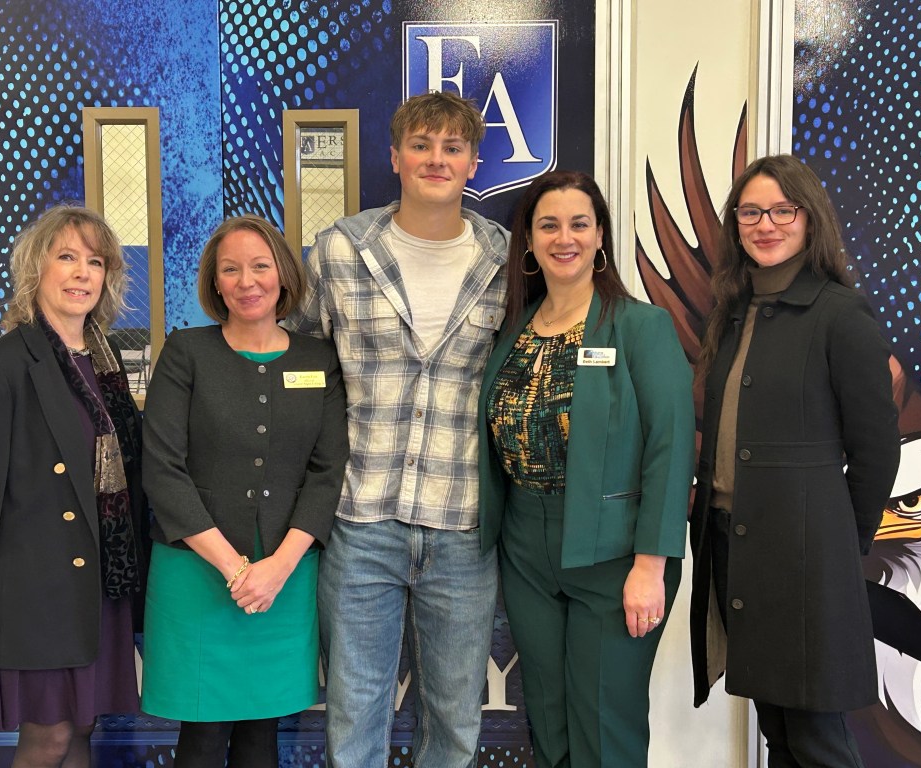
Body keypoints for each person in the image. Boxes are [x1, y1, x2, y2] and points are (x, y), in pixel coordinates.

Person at [283, 90, 509, 767]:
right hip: (361, 521)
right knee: (355, 719)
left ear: (472, 164)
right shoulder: (340, 249)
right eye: (421, 145)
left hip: (463, 525)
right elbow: (300, 359)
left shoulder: (506, 257)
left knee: (455, 720)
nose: (436, 159)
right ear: (394, 157)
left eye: (452, 148)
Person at [689, 154, 901, 767]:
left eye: (784, 210)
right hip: (732, 543)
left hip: (806, 556)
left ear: (810, 219)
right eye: (751, 212)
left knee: (815, 738)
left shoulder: (840, 313)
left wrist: (838, 542)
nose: (766, 225)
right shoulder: (732, 311)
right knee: (777, 734)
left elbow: (876, 448)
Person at [478, 170, 695, 767]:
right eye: (548, 225)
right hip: (526, 547)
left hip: (617, 553)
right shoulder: (513, 330)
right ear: (528, 240)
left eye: (579, 224)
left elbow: (670, 448)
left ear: (600, 236)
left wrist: (651, 564)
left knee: (605, 724)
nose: (564, 238)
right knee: (548, 720)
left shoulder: (640, 326)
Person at [0, 205, 146, 768]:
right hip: (37, 593)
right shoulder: (0, 368)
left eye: (95, 262)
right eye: (67, 257)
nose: (82, 273)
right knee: (49, 739)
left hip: (100, 588)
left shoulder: (104, 362)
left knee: (82, 730)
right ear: (36, 269)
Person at [140, 214, 347, 768]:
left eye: (260, 266)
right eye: (230, 269)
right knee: (203, 736)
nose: (246, 281)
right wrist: (236, 569)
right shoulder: (186, 352)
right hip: (197, 572)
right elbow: (163, 469)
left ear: (284, 275)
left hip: (285, 575)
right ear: (214, 281)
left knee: (262, 733)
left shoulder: (318, 360)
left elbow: (327, 472)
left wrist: (277, 568)